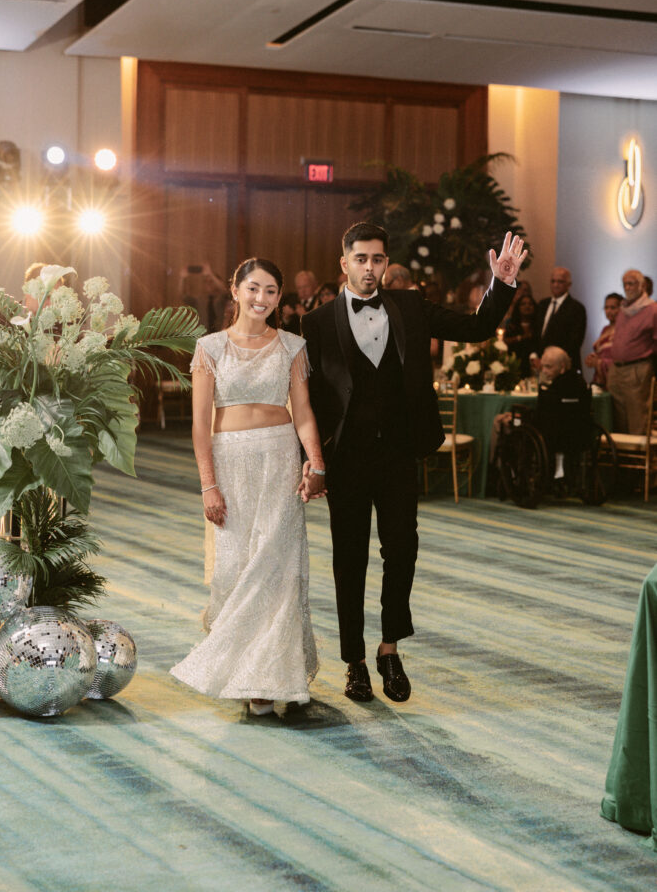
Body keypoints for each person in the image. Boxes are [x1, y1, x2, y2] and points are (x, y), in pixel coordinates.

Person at [301, 222, 526, 704]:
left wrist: (500, 285)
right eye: (360, 259)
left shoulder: (410, 306)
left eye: (377, 259)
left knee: (401, 551)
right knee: (349, 560)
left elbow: (476, 328)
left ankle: (389, 648)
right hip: (348, 458)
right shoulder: (316, 322)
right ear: (344, 263)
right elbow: (311, 400)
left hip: (400, 452)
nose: (369, 268)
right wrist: (312, 460)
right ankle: (354, 662)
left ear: (386, 263)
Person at [170, 258, 326, 716]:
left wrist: (315, 462)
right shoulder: (210, 348)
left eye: (272, 291)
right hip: (230, 463)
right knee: (239, 570)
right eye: (254, 288)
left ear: (280, 297)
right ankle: (246, 673)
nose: (262, 299)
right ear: (235, 290)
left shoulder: (293, 346)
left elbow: (304, 414)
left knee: (276, 568)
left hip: (280, 460)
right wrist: (208, 485)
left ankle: (274, 678)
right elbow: (201, 425)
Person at [607, 270, 657, 434]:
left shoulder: (652, 310)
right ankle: (621, 457)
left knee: (637, 416)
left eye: (631, 283)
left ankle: (638, 458)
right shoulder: (623, 309)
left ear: (642, 285)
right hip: (617, 370)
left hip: (637, 369)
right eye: (625, 284)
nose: (627, 287)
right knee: (618, 418)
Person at [535, 346, 592, 485]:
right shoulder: (581, 383)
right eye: (543, 367)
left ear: (562, 367)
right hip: (581, 434)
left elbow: (541, 413)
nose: (544, 371)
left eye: (548, 367)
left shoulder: (555, 387)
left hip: (555, 434)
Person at [532, 267, 586, 374]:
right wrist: (534, 356)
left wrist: (551, 360)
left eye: (560, 282)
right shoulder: (542, 305)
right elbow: (535, 333)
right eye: (553, 281)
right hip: (540, 366)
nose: (556, 285)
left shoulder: (576, 308)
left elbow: (575, 341)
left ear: (568, 285)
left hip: (564, 367)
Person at [584, 292, 623, 389]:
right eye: (606, 308)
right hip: (600, 378)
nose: (609, 311)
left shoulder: (624, 330)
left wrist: (598, 362)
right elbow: (602, 352)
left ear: (621, 309)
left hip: (617, 379)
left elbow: (620, 359)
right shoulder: (605, 329)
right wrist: (593, 358)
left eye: (613, 308)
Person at [504, 293, 538, 376]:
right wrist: (521, 338)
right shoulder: (512, 326)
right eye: (523, 304)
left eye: (530, 304)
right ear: (518, 307)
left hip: (534, 367)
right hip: (514, 366)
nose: (527, 306)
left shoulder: (538, 326)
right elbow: (504, 342)